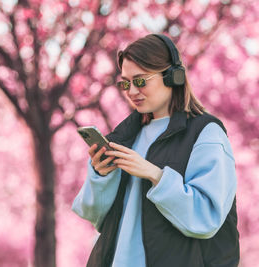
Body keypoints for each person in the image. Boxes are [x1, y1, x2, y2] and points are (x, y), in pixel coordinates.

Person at [71, 34, 239, 267]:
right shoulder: (125, 136)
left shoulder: (206, 134)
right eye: (125, 83)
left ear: (173, 77)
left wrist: (156, 175)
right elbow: (97, 217)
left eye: (140, 81)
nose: (131, 91)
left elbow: (207, 218)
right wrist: (101, 176)